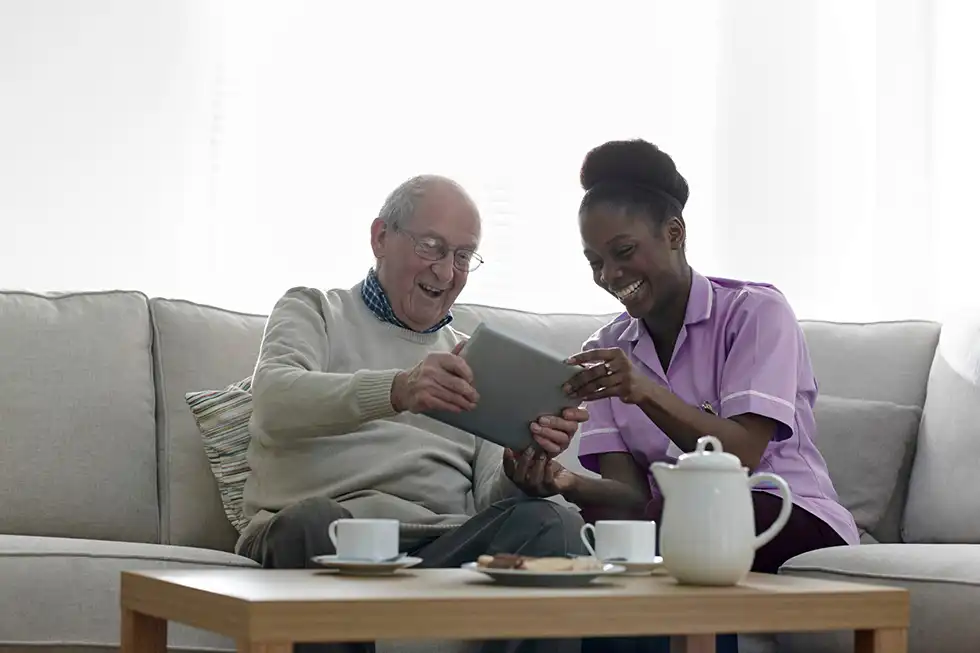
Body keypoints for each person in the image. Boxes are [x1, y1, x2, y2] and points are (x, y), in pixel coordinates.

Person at [508, 140, 860, 653]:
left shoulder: (754, 314)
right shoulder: (607, 349)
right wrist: (560, 481)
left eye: (623, 253)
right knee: (622, 560)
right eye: (595, 262)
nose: (609, 276)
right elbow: (628, 496)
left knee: (682, 530)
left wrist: (645, 391)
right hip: (678, 530)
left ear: (674, 234)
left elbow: (741, 454)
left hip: (785, 515)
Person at [238, 174, 589, 653]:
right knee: (309, 522)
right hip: (327, 533)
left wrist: (519, 473)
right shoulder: (314, 310)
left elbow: (489, 497)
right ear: (380, 237)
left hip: (440, 549)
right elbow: (274, 401)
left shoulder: (475, 357)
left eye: (463, 256)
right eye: (431, 247)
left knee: (555, 521)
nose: (446, 273)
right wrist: (399, 390)